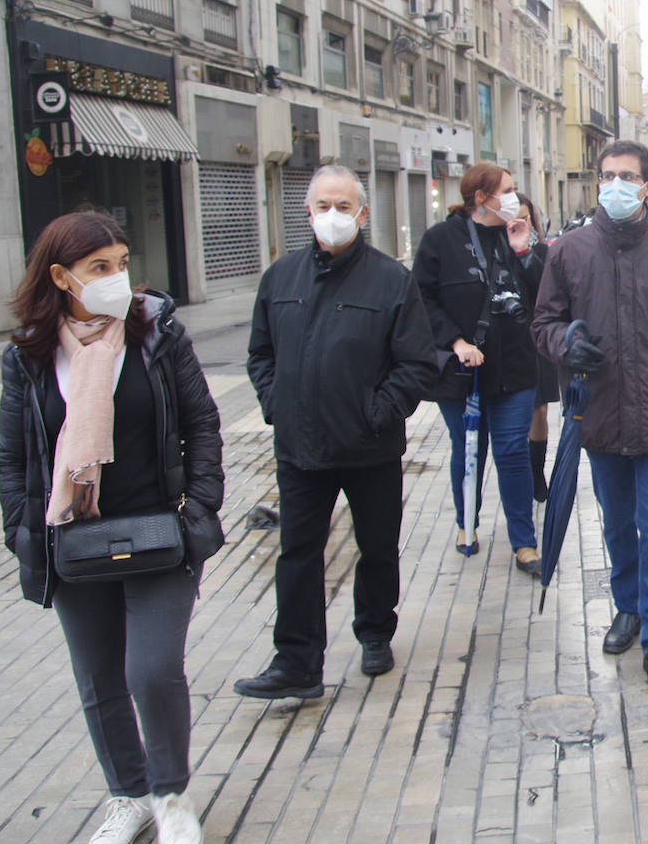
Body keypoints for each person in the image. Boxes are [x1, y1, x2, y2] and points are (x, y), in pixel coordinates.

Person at [0, 211, 224, 844]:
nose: (117, 280)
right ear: (62, 276)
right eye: (100, 269)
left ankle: (170, 794)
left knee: (150, 671)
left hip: (159, 532)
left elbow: (202, 422)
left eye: (122, 263)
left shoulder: (155, 332)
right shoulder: (30, 350)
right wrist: (23, 527)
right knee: (98, 677)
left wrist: (200, 508)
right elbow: (14, 454)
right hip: (73, 538)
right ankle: (127, 795)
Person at [238, 164, 437, 700]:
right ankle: (297, 662)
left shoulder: (391, 280)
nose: (333, 216)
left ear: (362, 213)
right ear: (307, 212)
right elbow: (260, 354)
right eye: (323, 206)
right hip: (300, 447)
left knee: (376, 547)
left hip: (369, 447)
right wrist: (276, 402)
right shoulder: (280, 278)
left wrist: (379, 411)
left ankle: (375, 632)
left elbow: (416, 363)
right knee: (297, 553)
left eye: (343, 206)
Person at [532, 140, 648, 687]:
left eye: (627, 177)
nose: (615, 184)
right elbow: (543, 324)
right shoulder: (567, 252)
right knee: (617, 523)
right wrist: (566, 340)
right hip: (600, 414)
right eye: (607, 175)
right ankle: (628, 607)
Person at [413, 164, 544, 574]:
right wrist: (456, 341)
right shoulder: (441, 239)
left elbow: (547, 296)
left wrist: (525, 251)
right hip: (462, 371)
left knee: (512, 453)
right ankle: (465, 522)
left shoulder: (519, 233)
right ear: (482, 198)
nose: (513, 196)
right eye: (506, 190)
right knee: (469, 449)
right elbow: (421, 299)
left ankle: (524, 542)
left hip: (516, 368)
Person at [513, 193, 560, 504]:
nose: (519, 223)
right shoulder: (492, 254)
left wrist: (525, 251)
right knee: (515, 414)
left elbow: (545, 291)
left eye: (525, 218)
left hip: (537, 338)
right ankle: (517, 470)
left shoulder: (542, 252)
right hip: (508, 341)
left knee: (539, 408)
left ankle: (536, 471)